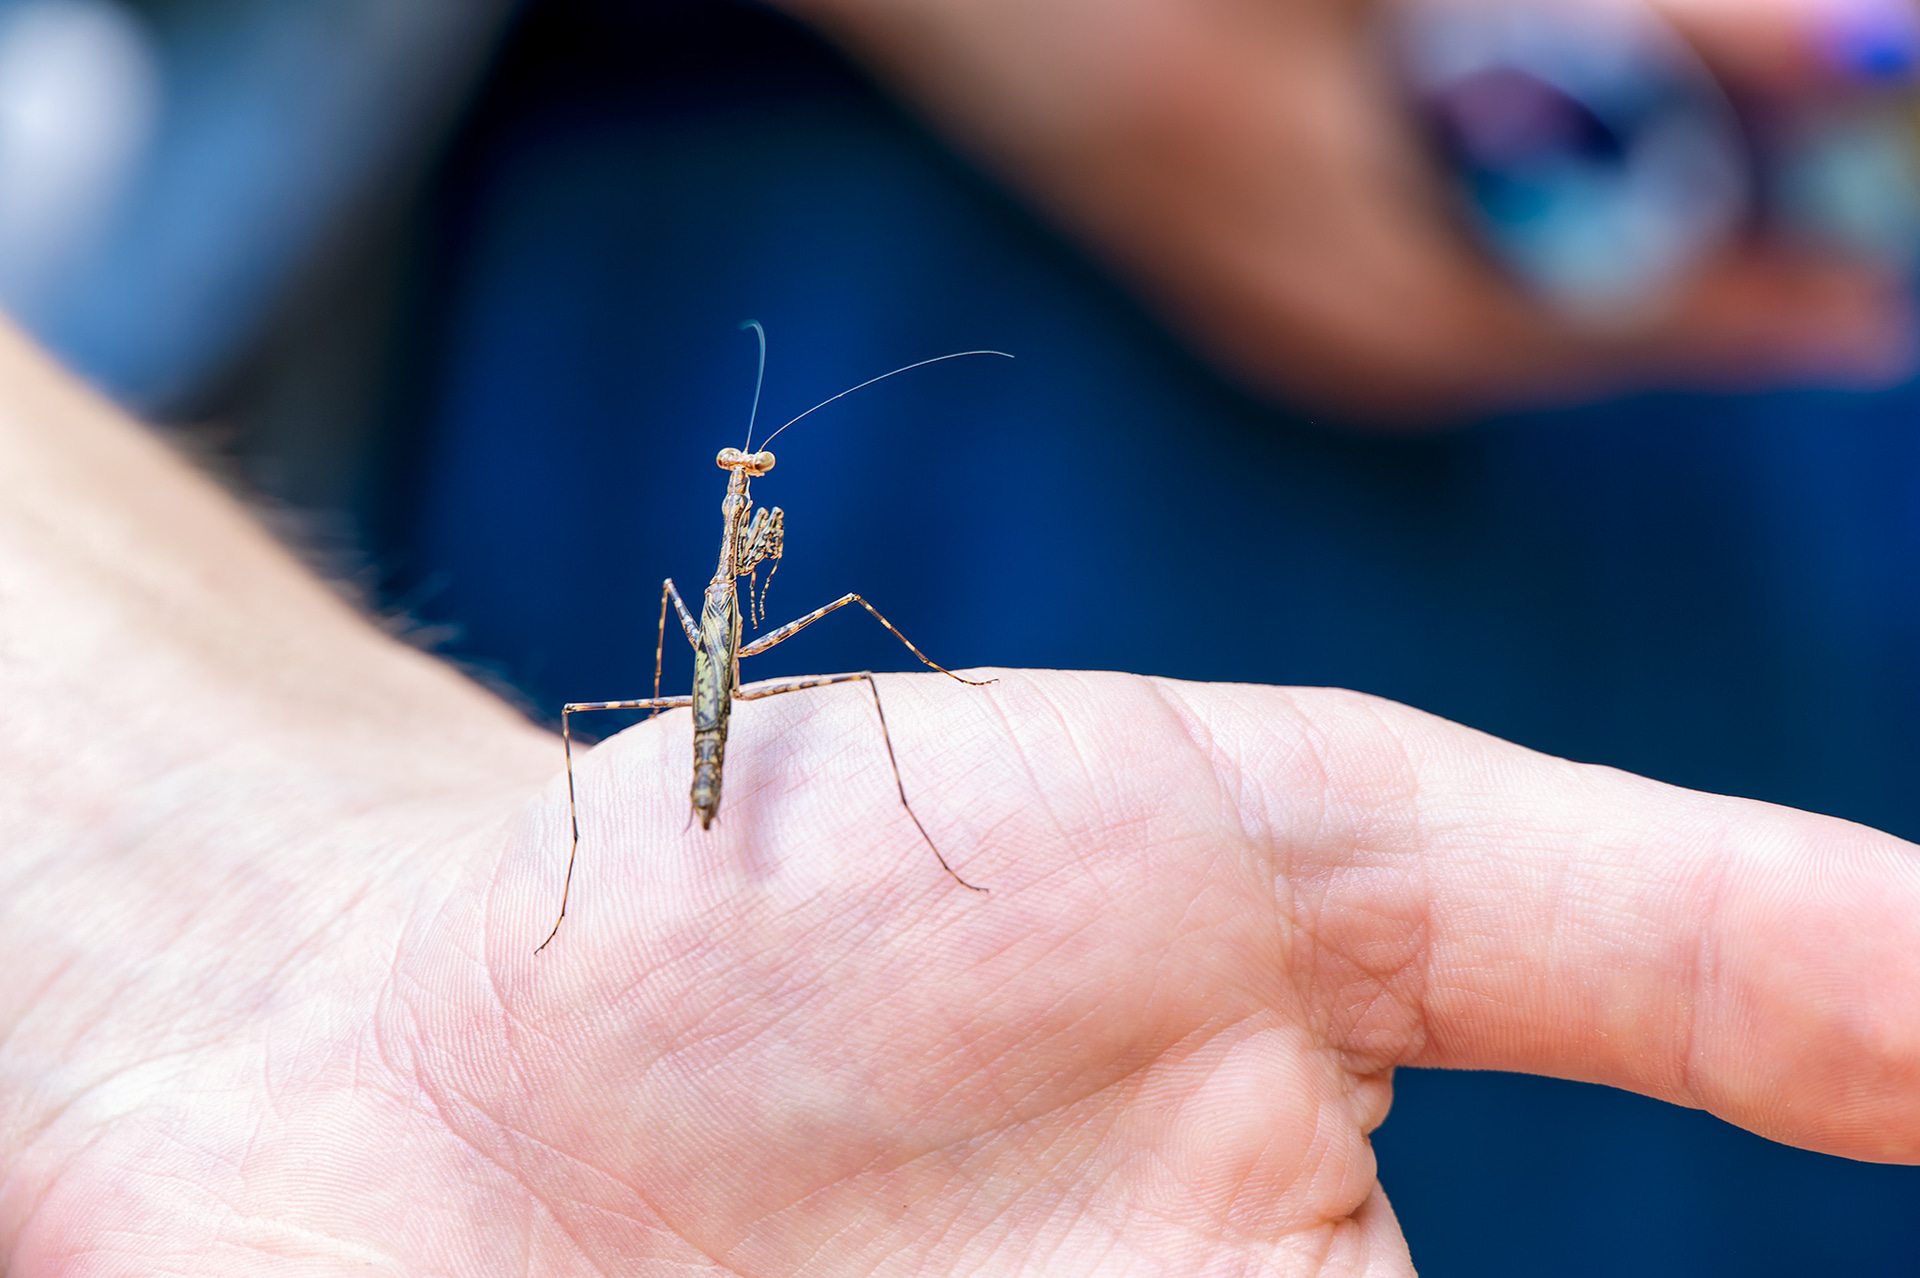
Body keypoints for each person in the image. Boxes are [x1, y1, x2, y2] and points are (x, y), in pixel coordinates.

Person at [4, 313, 1920, 1273]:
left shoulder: (755, 537)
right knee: (690, 672)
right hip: (632, 688)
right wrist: (251, 910)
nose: (758, 483)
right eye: (753, 476)